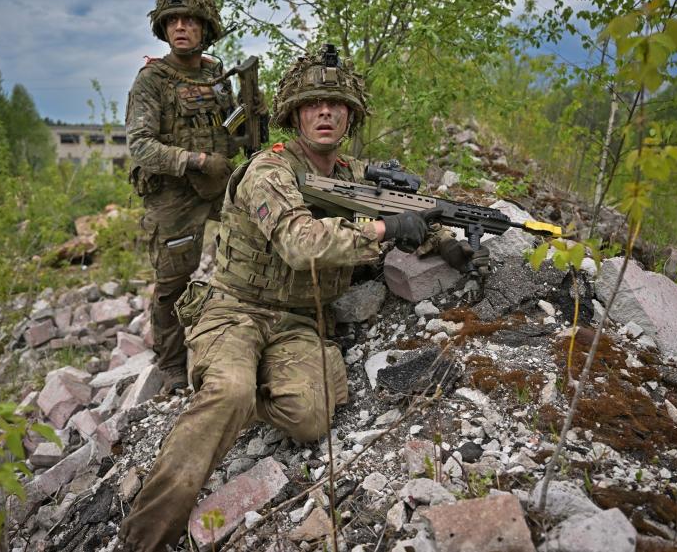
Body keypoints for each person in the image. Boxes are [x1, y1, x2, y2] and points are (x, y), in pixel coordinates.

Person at [118, 45, 478, 551]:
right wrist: (383, 229)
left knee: (310, 417)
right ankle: (143, 539)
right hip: (234, 308)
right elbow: (300, 243)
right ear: (295, 114)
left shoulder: (354, 177)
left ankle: (250, 388)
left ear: (350, 115)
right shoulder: (271, 170)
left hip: (298, 322)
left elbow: (399, 211)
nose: (324, 112)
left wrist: (443, 243)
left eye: (335, 103)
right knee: (229, 390)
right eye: (312, 104)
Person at [126, 0, 242, 393]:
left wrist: (253, 116)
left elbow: (234, 129)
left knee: (254, 247)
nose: (180, 27)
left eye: (190, 21)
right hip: (173, 196)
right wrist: (196, 160)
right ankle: (172, 364)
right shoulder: (152, 81)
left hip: (219, 185)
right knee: (174, 281)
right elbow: (140, 146)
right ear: (163, 28)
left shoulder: (215, 75)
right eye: (173, 21)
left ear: (205, 29)